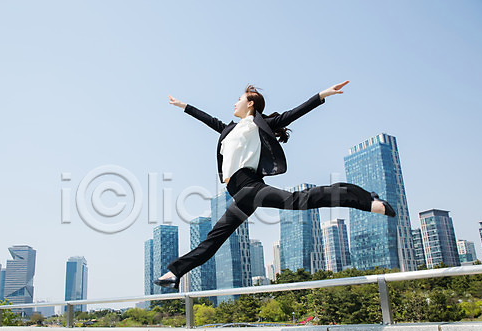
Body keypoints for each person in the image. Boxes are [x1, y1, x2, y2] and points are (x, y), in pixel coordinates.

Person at [154, 81, 395, 289]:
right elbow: (209, 120)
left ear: (250, 104)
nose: (234, 103)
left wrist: (322, 95)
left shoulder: (259, 124)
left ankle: (366, 201)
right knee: (214, 238)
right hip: (238, 194)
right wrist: (183, 106)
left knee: (299, 200)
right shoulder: (229, 130)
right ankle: (175, 273)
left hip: (251, 187)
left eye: (238, 100)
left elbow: (294, 113)